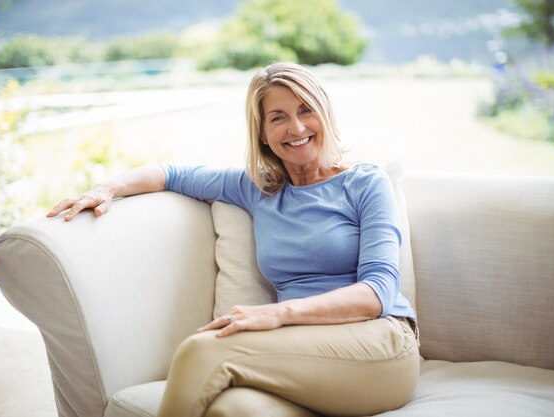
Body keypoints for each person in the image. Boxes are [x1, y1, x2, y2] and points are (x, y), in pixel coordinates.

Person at [47, 62, 420, 417]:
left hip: (379, 348)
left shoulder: (365, 183)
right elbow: (171, 174)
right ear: (262, 132)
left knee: (202, 350)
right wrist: (107, 188)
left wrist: (275, 314)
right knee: (232, 410)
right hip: (304, 355)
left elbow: (378, 291)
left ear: (324, 114)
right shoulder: (258, 189)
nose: (296, 127)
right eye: (278, 117)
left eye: (306, 110)